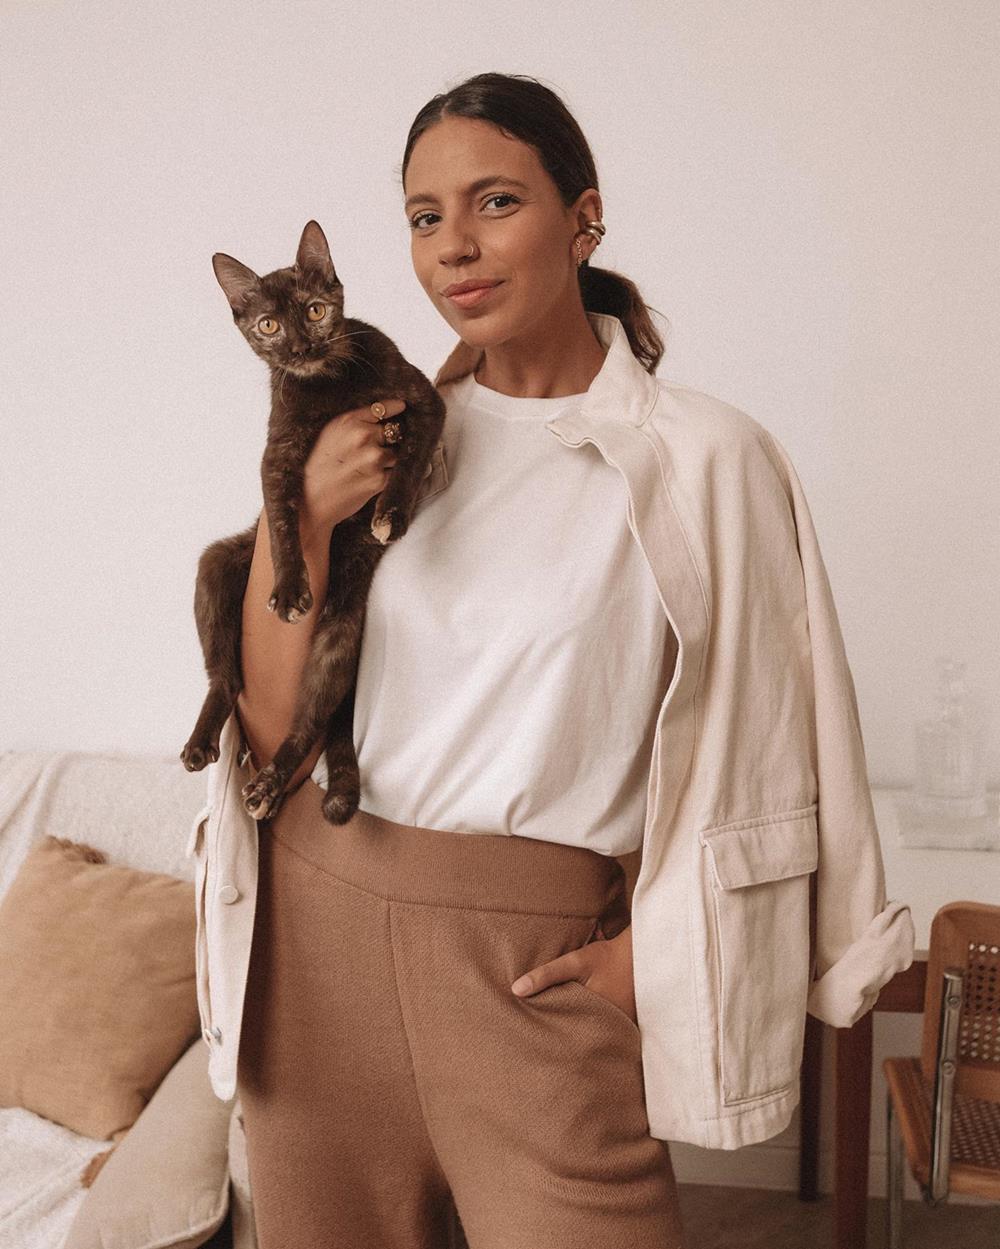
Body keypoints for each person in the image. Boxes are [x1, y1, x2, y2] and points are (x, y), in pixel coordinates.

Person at [190, 70, 914, 1249]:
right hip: (313, 967)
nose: (455, 247)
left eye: (494, 202)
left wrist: (644, 959)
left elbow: (784, 742)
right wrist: (302, 524)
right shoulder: (365, 435)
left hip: (534, 973)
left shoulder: (707, 461)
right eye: (425, 217)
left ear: (583, 216)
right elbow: (272, 737)